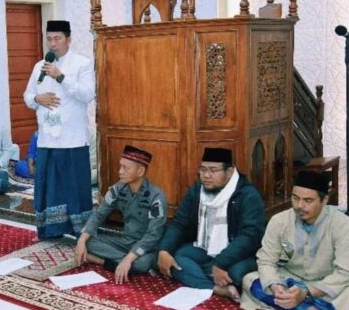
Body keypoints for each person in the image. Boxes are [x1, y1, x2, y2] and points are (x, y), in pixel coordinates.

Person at [240, 171, 349, 310]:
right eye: (295, 198)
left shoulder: (343, 225)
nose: (299, 206)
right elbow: (266, 260)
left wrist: (307, 293)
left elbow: (346, 272)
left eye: (308, 200)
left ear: (325, 200)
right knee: (250, 280)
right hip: (292, 280)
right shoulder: (279, 221)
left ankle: (299, 305)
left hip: (331, 284)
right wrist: (276, 287)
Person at [157, 147, 265, 301]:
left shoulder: (247, 195)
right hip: (205, 249)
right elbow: (179, 222)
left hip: (237, 255)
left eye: (213, 170)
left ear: (229, 171)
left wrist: (220, 263)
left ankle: (202, 275)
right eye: (203, 169)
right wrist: (164, 250)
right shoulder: (197, 190)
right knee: (176, 258)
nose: (206, 175)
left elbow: (250, 236)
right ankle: (216, 288)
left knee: (236, 274)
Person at [22, 20, 96, 239]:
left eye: (57, 39)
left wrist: (60, 76)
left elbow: (87, 94)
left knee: (74, 187)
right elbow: (27, 96)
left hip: (72, 140)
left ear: (68, 39)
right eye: (49, 39)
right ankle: (51, 230)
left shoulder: (82, 64)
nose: (52, 44)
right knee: (49, 187)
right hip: (47, 139)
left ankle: (79, 231)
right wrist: (38, 98)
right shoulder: (39, 67)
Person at [75, 145, 167, 284]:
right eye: (120, 167)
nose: (120, 171)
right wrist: (82, 241)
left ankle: (101, 261)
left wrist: (129, 259)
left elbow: (153, 235)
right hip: (125, 241)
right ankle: (123, 262)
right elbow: (99, 215)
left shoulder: (156, 197)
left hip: (147, 247)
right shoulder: (118, 188)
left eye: (125, 168)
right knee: (85, 241)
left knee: (141, 264)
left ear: (140, 171)